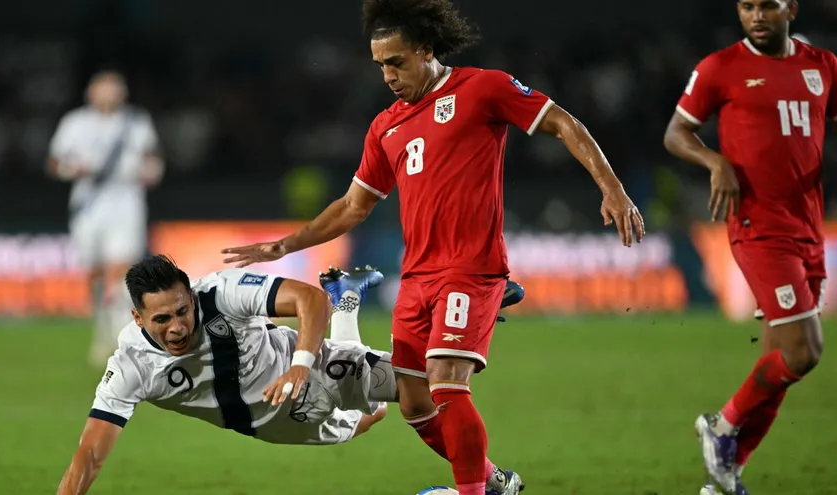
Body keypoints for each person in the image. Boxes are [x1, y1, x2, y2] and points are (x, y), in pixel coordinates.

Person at [221, 1, 646, 494]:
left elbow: (562, 123)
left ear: (425, 51)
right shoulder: (386, 126)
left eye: (396, 62)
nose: (387, 75)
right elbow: (352, 207)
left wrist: (611, 187)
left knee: (446, 382)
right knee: (414, 402)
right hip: (417, 276)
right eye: (380, 64)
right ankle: (493, 483)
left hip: (471, 268)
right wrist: (286, 244)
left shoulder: (482, 87)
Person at [56, 256, 525, 494]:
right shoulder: (131, 365)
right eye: (162, 320)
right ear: (139, 320)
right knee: (375, 415)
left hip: (313, 363)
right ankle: (349, 298)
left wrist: (301, 365)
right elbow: (89, 455)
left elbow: (306, 301)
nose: (178, 326)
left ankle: (468, 308)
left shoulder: (221, 293)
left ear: (190, 296)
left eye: (182, 310)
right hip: (280, 425)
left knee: (423, 385)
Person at [663, 1, 837, 493]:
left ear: (791, 8)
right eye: (747, 6)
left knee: (783, 359)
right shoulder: (721, 68)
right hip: (757, 226)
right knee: (804, 352)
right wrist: (715, 161)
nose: (756, 15)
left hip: (808, 227)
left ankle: (724, 476)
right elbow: (676, 133)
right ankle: (721, 425)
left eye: (767, 5)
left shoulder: (823, 67)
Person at [47, 70, 164, 367]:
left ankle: (119, 333)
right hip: (88, 207)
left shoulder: (136, 123)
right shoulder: (75, 123)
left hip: (127, 204)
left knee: (122, 269)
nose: (109, 94)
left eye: (114, 88)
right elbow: (55, 162)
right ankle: (101, 329)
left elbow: (153, 159)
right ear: (90, 92)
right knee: (96, 273)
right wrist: (72, 170)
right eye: (103, 88)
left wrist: (151, 171)